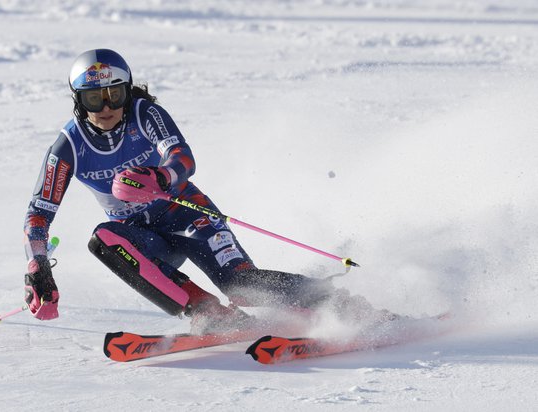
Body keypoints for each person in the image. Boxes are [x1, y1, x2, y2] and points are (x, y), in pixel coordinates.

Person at [23, 49, 373, 333]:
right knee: (103, 240)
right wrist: (37, 264)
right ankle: (208, 312)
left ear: (127, 91)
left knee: (241, 286)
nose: (107, 107)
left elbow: (182, 157)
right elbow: (39, 213)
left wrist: (162, 177)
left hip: (188, 214)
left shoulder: (144, 112)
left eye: (115, 94)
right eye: (93, 98)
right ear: (78, 100)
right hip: (144, 238)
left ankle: (336, 300)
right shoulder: (68, 147)